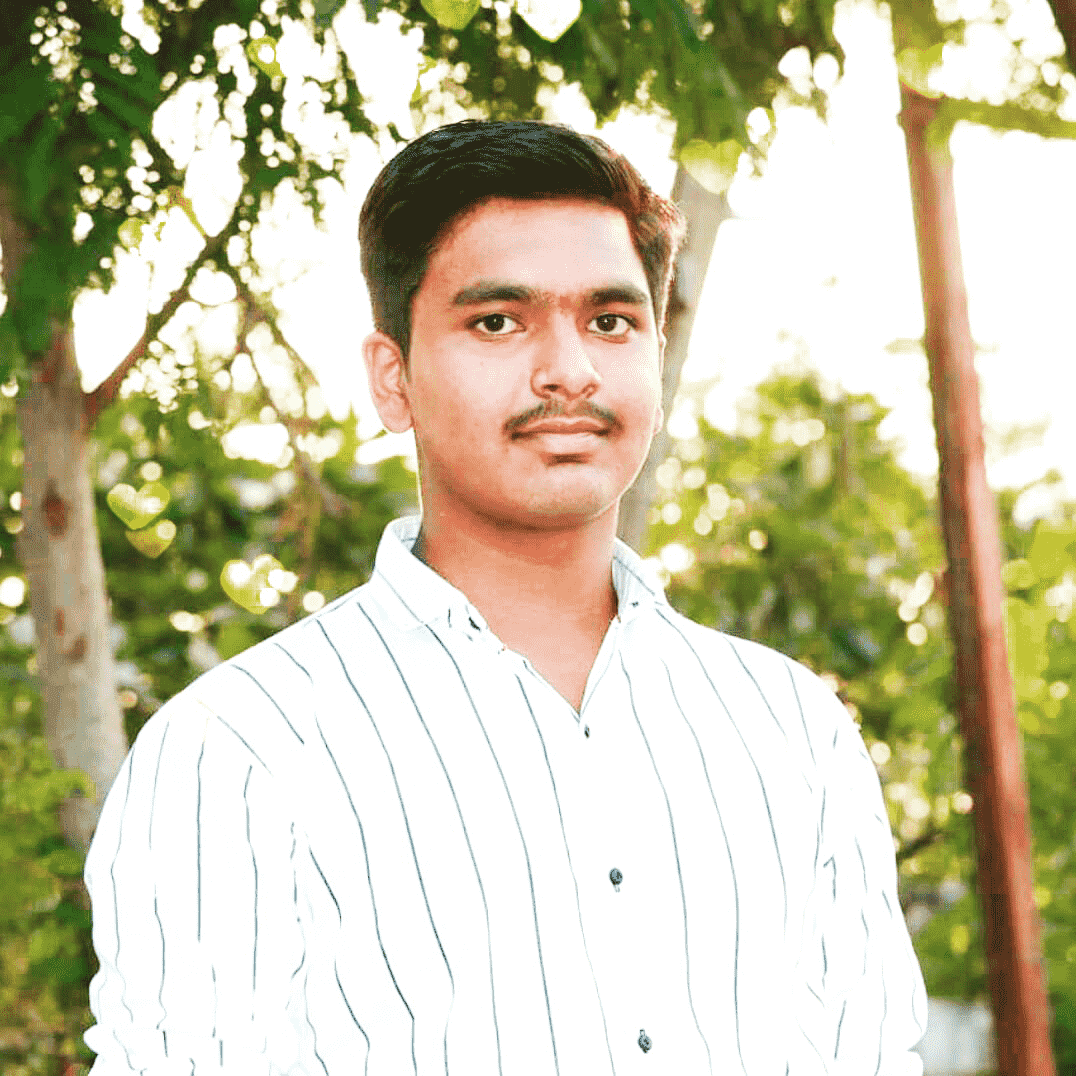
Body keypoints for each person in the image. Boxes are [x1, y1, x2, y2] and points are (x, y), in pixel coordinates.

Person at [83, 119, 928, 1075]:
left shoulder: (790, 728)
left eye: (610, 321)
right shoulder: (243, 749)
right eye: (498, 321)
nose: (569, 370)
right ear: (393, 379)